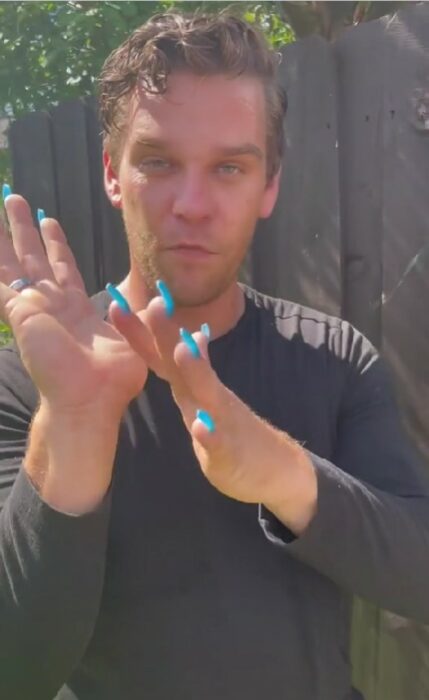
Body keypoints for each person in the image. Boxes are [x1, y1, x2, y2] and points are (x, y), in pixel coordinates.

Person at [0, 10, 429, 700]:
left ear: (269, 187)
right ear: (113, 174)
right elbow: (17, 669)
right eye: (159, 162)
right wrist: (76, 421)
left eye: (229, 166)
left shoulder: (333, 358)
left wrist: (284, 475)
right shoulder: (28, 383)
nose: (192, 204)